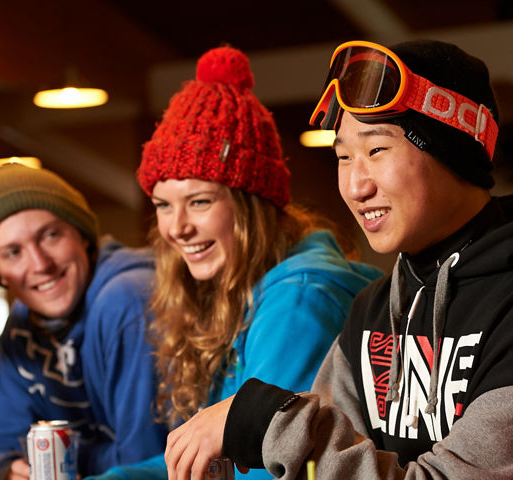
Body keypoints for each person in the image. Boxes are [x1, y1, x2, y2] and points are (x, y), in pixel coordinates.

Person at [160, 39, 513, 480]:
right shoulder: (370, 310)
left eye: (377, 150)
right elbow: (316, 473)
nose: (356, 186)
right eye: (343, 156)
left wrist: (268, 423)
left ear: (452, 147)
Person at [94, 46, 383, 480]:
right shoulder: (234, 287)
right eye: (162, 205)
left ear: (250, 206)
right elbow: (201, 461)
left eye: (199, 201)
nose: (177, 228)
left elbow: (268, 469)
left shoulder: (298, 301)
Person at [0, 163, 167, 480]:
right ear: (0, 275)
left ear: (83, 237)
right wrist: (9, 471)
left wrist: (56, 459)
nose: (39, 264)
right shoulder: (24, 322)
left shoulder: (127, 300)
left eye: (50, 235)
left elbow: (145, 461)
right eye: (12, 252)